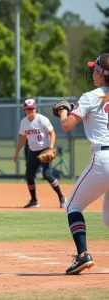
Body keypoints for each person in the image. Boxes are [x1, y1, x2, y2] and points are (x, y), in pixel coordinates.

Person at [56, 53, 109, 275]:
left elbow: (67, 125)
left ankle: (82, 255)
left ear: (99, 73)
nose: (92, 73)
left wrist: (63, 111)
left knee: (72, 206)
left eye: (94, 69)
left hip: (103, 159)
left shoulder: (91, 96)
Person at [13, 99, 66, 209]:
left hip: (45, 149)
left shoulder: (42, 119)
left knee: (47, 174)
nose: (30, 111)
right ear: (24, 110)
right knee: (29, 176)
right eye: (27, 109)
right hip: (32, 151)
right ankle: (34, 200)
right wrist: (16, 152)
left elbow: (52, 133)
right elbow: (22, 139)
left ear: (36, 108)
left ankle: (61, 197)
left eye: (31, 108)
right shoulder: (24, 122)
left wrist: (50, 148)